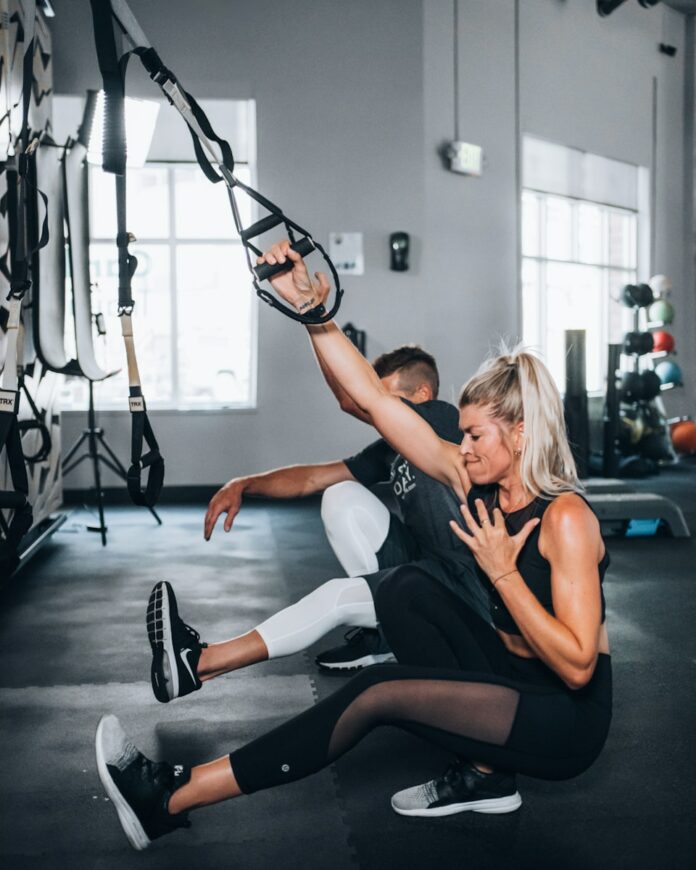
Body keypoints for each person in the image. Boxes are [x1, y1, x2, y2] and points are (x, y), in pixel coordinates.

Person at [96, 242, 612, 850]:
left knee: (375, 694)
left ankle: (171, 795)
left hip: (564, 720)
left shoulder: (566, 517)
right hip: (511, 677)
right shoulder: (473, 479)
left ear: (521, 433)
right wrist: (314, 313)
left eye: (475, 435)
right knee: (405, 586)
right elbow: (369, 399)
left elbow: (578, 667)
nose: (463, 447)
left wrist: (502, 574)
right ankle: (487, 776)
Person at [201, 344, 485, 672]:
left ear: (423, 394)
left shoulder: (442, 416)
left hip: (463, 582)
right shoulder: (391, 450)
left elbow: (353, 401)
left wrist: (313, 317)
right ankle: (385, 635)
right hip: (422, 564)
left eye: (390, 398)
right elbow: (312, 479)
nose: (382, 408)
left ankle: (205, 661)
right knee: (340, 494)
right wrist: (244, 484)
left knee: (337, 597)